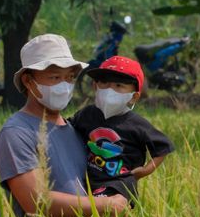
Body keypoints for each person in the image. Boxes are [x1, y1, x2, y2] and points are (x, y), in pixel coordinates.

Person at [0, 34, 128, 217]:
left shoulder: (76, 130)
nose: (64, 86)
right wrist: (105, 205)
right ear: (28, 81)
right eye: (55, 77)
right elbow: (36, 201)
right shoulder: (16, 133)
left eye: (69, 77)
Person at [69, 56, 174, 205]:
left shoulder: (137, 125)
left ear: (134, 97)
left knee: (100, 210)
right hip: (87, 178)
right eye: (104, 83)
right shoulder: (86, 114)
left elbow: (162, 148)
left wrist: (145, 170)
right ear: (94, 86)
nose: (109, 90)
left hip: (118, 183)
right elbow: (67, 129)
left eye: (119, 85)